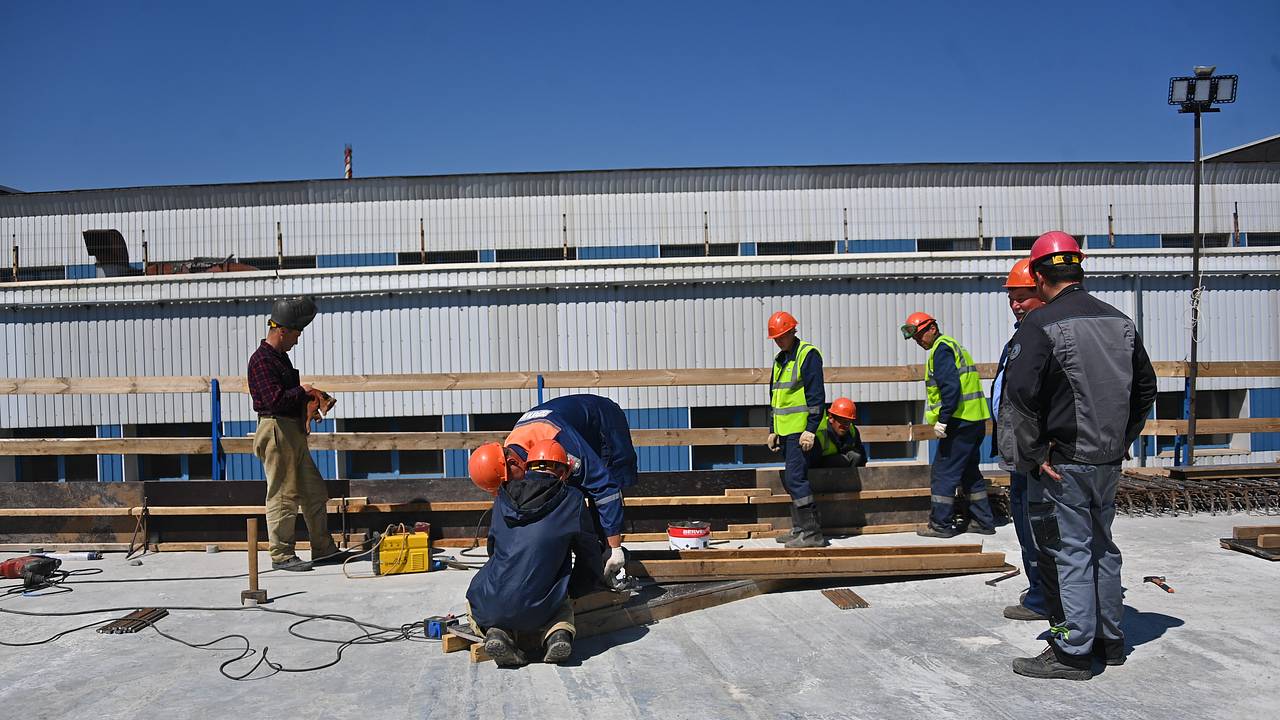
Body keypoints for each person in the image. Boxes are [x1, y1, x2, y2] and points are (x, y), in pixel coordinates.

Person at [998, 231, 1157, 681]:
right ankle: (1110, 640)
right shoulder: (1119, 321)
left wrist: (1031, 454)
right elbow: (1145, 389)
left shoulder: (1041, 324)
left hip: (1062, 462)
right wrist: (1121, 439)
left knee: (1065, 552)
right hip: (1106, 459)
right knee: (1102, 548)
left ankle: (1071, 650)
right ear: (1077, 268)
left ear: (1039, 275)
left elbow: (1020, 396)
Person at [466, 439, 606, 667]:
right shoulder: (572, 499)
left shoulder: (502, 497)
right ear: (563, 472)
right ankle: (557, 634)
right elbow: (588, 554)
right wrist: (576, 588)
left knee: (474, 601)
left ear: (528, 465)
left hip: (496, 599)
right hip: (543, 606)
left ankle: (497, 632)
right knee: (562, 601)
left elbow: (493, 548)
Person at [470, 393, 637, 584]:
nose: (511, 487)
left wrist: (614, 547)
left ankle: (611, 559)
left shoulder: (560, 443)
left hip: (603, 425)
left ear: (513, 462)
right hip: (566, 426)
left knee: (598, 483)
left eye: (508, 482)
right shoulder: (510, 450)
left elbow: (605, 488)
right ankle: (598, 558)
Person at [247, 297, 343, 572]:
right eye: (296, 334)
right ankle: (281, 554)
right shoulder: (262, 361)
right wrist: (303, 391)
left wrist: (306, 401)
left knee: (314, 491)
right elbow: (274, 400)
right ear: (282, 331)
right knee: (282, 494)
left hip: (291, 432)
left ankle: (323, 549)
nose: (297, 341)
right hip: (276, 430)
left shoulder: (279, 358)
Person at [900, 311, 995, 538]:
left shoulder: (941, 349)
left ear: (932, 327)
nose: (918, 340)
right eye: (915, 338)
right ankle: (983, 521)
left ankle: (940, 525)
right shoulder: (952, 345)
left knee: (943, 474)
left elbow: (950, 387)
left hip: (958, 422)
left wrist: (943, 420)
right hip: (974, 420)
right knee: (969, 472)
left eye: (920, 335)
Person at [992, 258, 1049, 622]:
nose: (1016, 303)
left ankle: (1045, 597)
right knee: (1024, 523)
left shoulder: (1042, 336)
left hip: (1033, 453)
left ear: (1041, 291)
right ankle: (1039, 589)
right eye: (1012, 296)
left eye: (1023, 296)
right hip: (1016, 449)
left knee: (1036, 525)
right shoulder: (1022, 334)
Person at [765, 311, 828, 548]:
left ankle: (811, 533)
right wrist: (773, 429)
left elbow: (816, 395)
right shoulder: (781, 359)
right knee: (792, 480)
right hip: (786, 432)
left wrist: (811, 429)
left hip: (801, 431)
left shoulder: (807, 355)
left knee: (796, 479)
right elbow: (776, 397)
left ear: (793, 332)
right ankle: (801, 529)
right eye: (776, 338)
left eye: (782, 336)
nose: (779, 341)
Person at [812, 397, 868, 469]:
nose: (846, 426)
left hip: (846, 474)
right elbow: (812, 464)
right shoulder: (820, 434)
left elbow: (862, 459)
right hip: (821, 472)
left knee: (855, 456)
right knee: (840, 460)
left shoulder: (853, 431)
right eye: (843, 421)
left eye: (849, 422)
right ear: (831, 418)